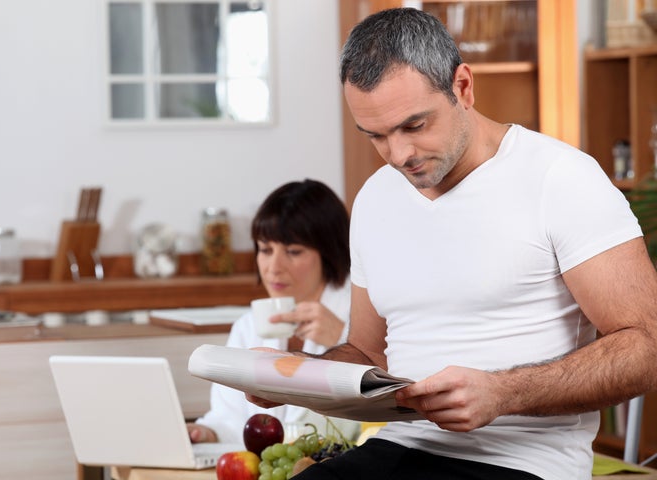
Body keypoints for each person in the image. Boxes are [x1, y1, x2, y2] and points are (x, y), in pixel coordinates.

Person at [248, 8, 657, 480]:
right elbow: (367, 355)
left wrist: (504, 393)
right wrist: (294, 373)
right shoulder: (376, 198)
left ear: (463, 86)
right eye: (377, 136)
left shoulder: (560, 179)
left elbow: (646, 347)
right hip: (400, 445)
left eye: (415, 126)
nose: (399, 155)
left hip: (521, 463)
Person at [188, 178, 359, 444]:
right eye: (266, 250)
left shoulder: (364, 313)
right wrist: (207, 433)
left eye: (293, 251)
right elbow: (230, 417)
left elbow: (390, 402)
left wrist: (343, 340)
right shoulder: (248, 327)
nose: (273, 267)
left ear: (329, 253)